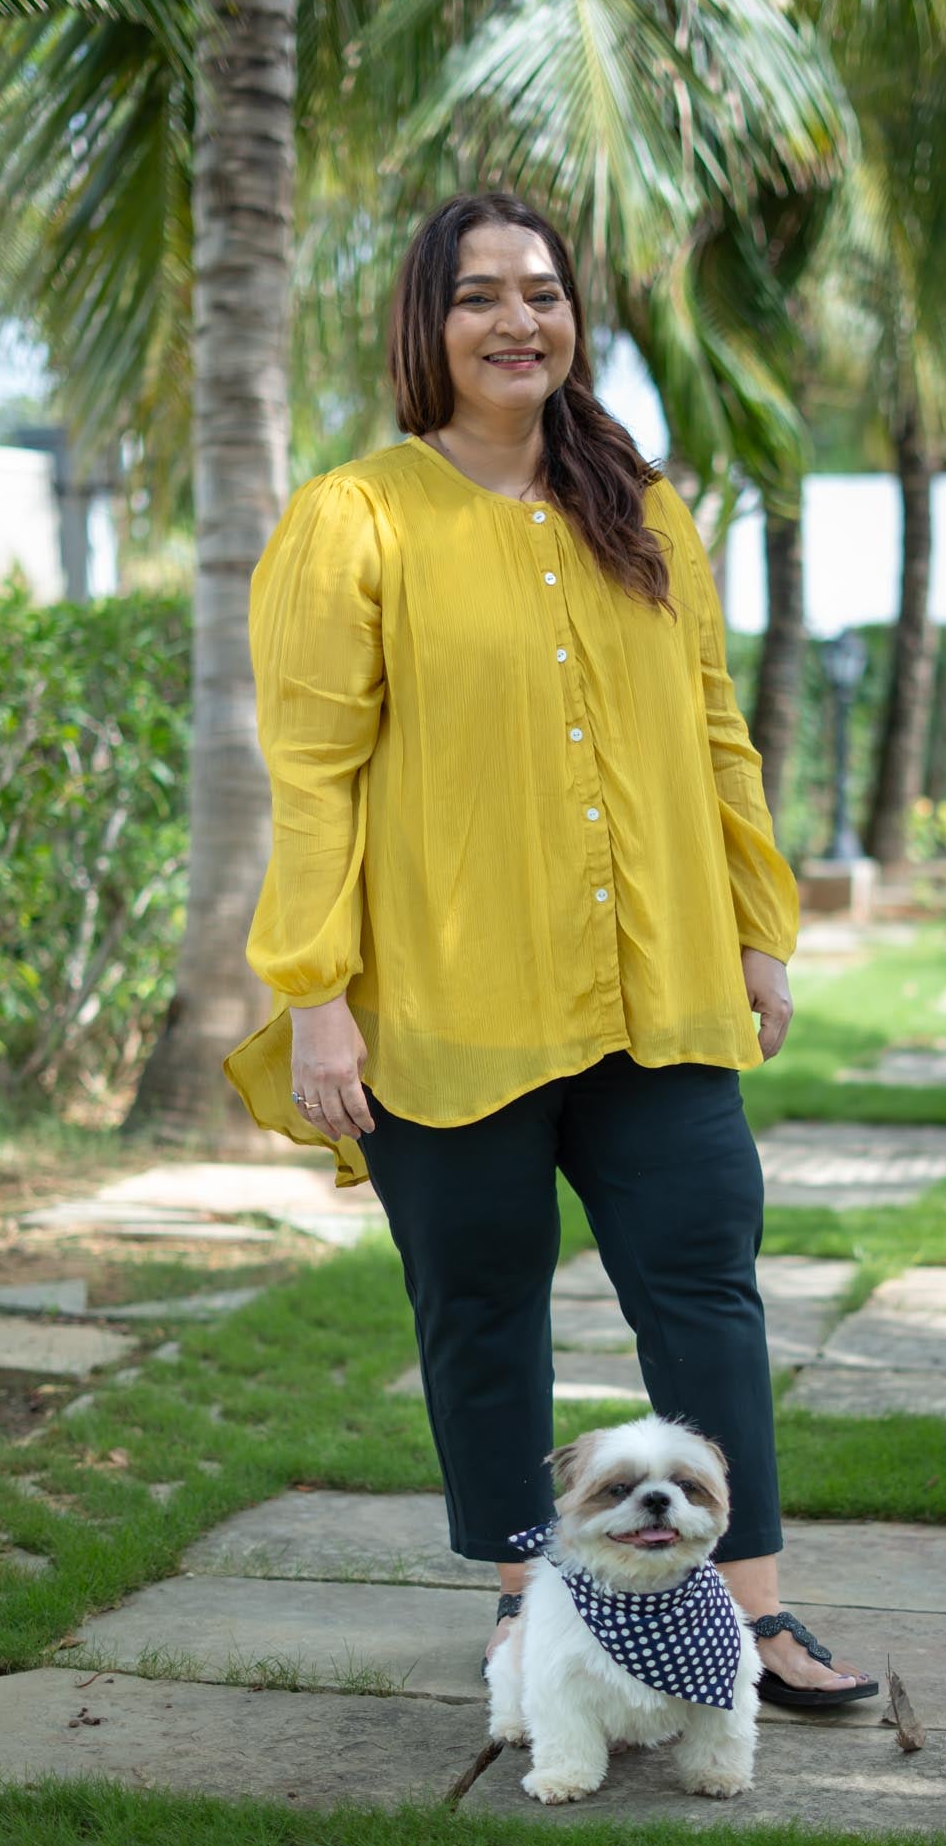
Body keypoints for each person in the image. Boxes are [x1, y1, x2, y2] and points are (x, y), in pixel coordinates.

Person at [223, 190, 876, 1708]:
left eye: (542, 291)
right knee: (479, 1301)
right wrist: (317, 1000)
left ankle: (748, 1612)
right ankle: (532, 1603)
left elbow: (714, 726)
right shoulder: (356, 516)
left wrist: (754, 933)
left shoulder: (638, 504)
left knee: (705, 1284)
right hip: (447, 995)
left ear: (574, 316)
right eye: (477, 297)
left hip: (659, 985)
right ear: (424, 326)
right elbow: (313, 774)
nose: (517, 320)